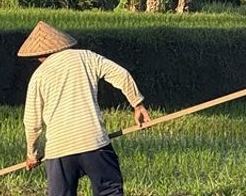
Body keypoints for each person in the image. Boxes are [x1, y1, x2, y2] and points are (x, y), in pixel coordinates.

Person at [20, 21, 151, 196]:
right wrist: (138, 105)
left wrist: (32, 154)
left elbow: (32, 122)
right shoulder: (86, 57)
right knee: (109, 191)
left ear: (40, 54)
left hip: (59, 149)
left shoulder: (39, 76)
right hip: (93, 142)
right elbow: (121, 74)